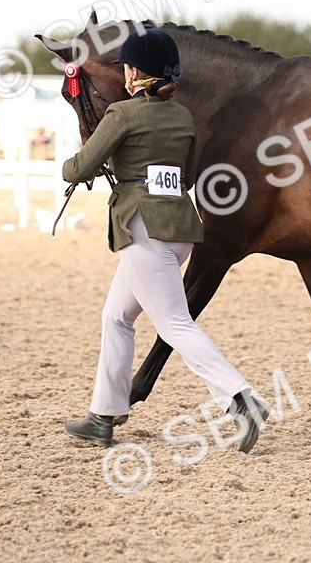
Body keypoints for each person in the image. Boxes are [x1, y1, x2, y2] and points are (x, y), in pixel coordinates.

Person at [61, 27, 269, 451]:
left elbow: (78, 168)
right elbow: (187, 177)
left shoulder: (121, 115)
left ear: (136, 73)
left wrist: (79, 162)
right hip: (178, 230)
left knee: (174, 323)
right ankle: (102, 414)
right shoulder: (182, 116)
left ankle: (240, 398)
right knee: (115, 317)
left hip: (143, 228)